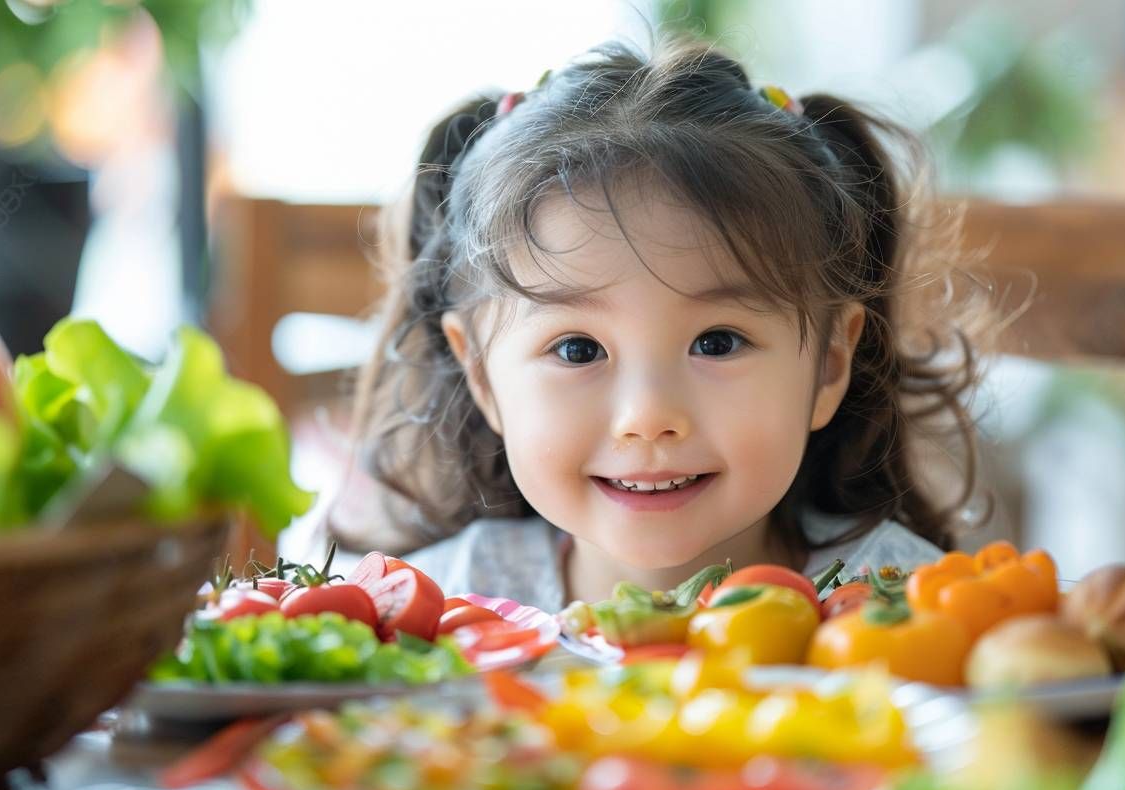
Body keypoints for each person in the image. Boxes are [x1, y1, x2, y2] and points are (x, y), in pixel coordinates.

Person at [331, 36, 984, 614]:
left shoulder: (908, 607)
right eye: (578, 348)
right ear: (479, 373)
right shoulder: (436, 610)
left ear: (829, 365)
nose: (648, 417)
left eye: (717, 342)